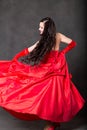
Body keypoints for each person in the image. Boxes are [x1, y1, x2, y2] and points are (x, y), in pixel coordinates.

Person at [0, 17, 85, 130]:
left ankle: (52, 124)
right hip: (54, 69)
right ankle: (53, 123)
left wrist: (15, 58)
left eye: (41, 27)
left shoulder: (44, 40)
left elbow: (29, 50)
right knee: (53, 97)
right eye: (39, 27)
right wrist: (62, 53)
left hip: (52, 71)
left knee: (52, 96)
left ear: (47, 28)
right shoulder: (58, 36)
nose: (39, 29)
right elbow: (72, 43)